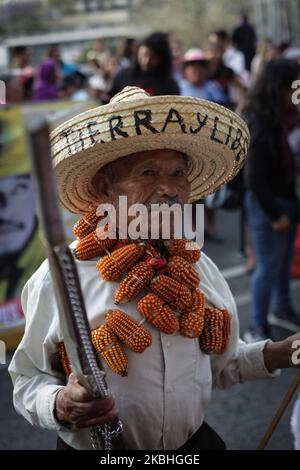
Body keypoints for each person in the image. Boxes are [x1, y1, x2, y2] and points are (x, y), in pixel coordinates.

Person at [9, 86, 300, 451]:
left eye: (178, 173)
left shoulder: (200, 267)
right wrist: (60, 403)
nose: (169, 189)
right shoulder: (61, 276)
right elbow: (27, 378)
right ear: (104, 187)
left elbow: (221, 363)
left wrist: (281, 352)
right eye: (148, 172)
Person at [243, 59, 300, 342]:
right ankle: (257, 326)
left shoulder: (282, 115)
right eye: (293, 86)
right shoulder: (260, 119)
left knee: (283, 261)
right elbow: (254, 178)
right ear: (277, 87)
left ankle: (282, 309)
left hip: (285, 199)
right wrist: (275, 213)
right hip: (268, 205)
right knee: (267, 267)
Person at [108, 32, 179, 98]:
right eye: (145, 54)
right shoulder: (122, 77)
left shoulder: (169, 86)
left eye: (153, 57)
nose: (147, 61)